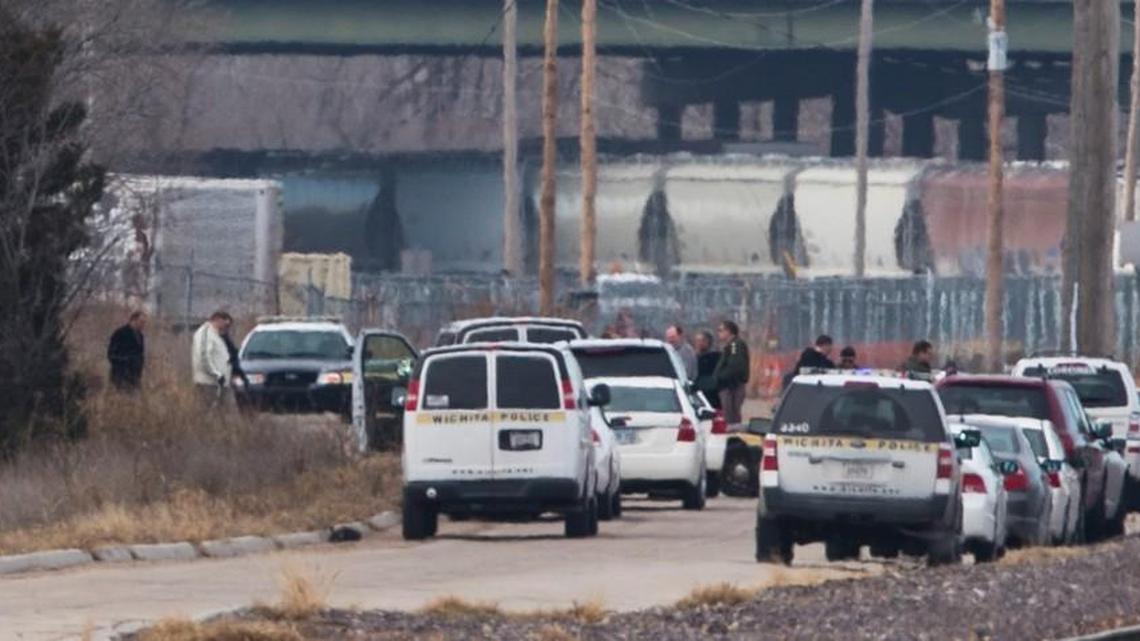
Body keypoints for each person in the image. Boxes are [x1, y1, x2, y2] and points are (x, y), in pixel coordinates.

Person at [192, 311, 233, 408]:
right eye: (226, 325)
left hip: (219, 384)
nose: (227, 329)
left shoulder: (217, 334)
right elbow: (204, 357)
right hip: (208, 383)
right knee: (207, 414)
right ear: (218, 320)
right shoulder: (205, 333)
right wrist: (217, 374)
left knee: (222, 416)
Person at [713, 320, 750, 424]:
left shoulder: (735, 345)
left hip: (732, 387)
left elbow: (734, 366)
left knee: (731, 416)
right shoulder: (730, 345)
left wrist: (721, 377)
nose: (718, 333)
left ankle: (732, 435)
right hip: (728, 386)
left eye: (721, 330)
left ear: (729, 331)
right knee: (728, 414)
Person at [107, 311, 147, 390]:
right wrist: (126, 361)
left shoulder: (140, 336)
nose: (143, 325)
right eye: (141, 322)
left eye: (144, 322)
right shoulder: (120, 333)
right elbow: (110, 355)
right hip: (120, 377)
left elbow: (141, 355)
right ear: (133, 320)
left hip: (135, 378)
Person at [219, 313, 250, 407]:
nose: (226, 328)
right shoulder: (215, 339)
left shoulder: (225, 338)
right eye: (225, 325)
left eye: (228, 326)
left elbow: (233, 355)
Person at [694, 330, 721, 408]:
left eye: (701, 340)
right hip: (698, 390)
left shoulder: (716, 356)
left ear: (708, 342)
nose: (699, 343)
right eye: (697, 341)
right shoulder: (694, 356)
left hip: (712, 391)